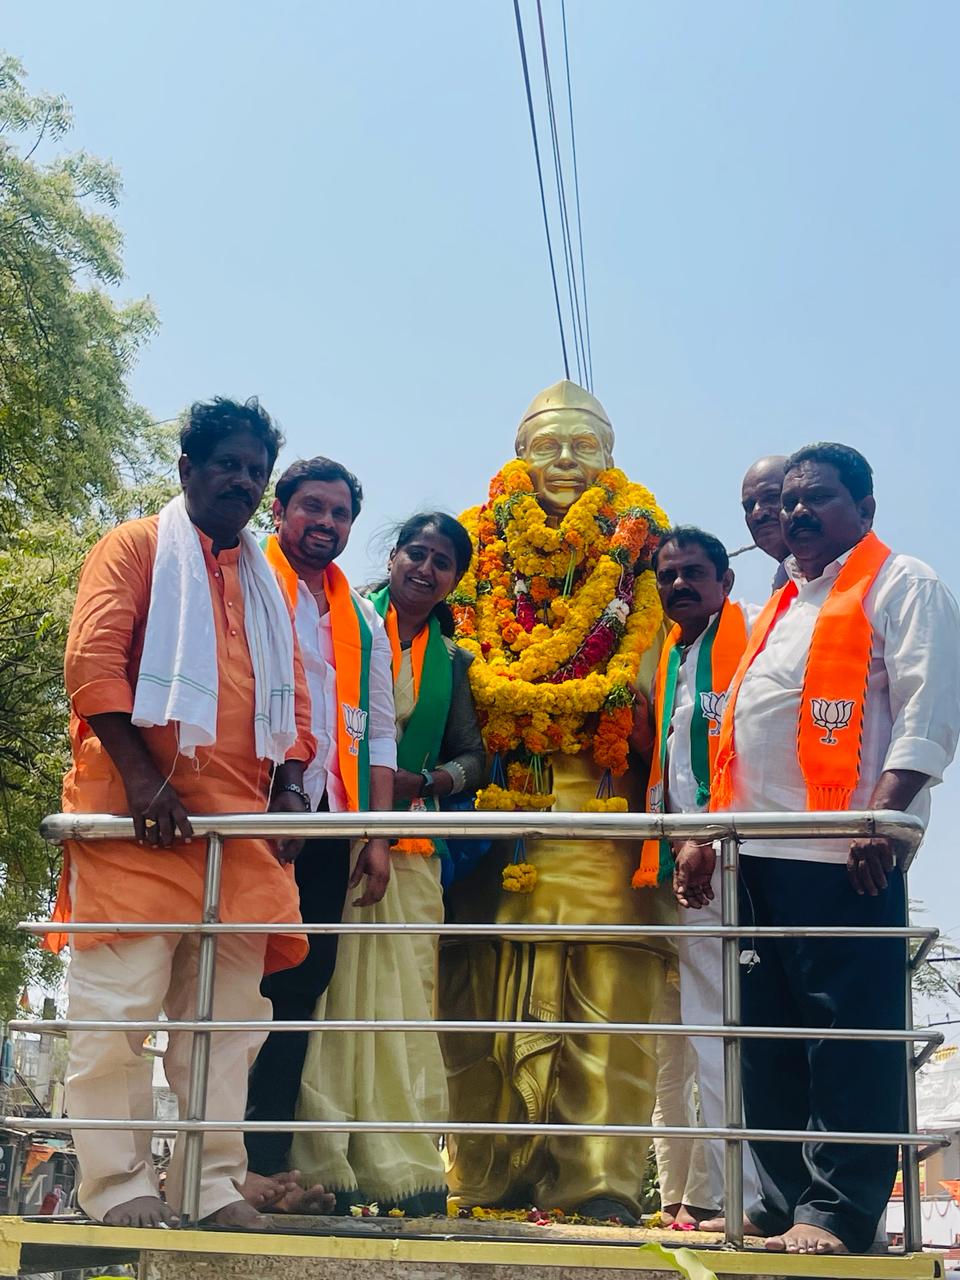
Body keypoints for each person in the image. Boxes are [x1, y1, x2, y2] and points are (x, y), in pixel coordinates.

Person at [680, 442, 960, 1255]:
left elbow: (929, 712)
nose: (796, 512)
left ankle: (839, 1212)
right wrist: (709, 834)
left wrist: (882, 821)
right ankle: (782, 1202)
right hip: (757, 856)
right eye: (789, 501)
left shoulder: (902, 583)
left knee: (847, 1044)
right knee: (766, 1043)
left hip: (845, 859)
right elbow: (743, 734)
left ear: (865, 510)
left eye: (819, 498)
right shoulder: (782, 602)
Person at [53, 397, 317, 1230]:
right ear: (187, 470)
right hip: (137, 826)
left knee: (227, 1025)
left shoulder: (266, 585)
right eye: (227, 464)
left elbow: (296, 711)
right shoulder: (136, 547)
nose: (242, 480)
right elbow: (92, 663)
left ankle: (209, 1187)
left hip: (236, 835)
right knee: (116, 1015)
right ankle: (118, 1187)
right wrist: (143, 781)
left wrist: (287, 794)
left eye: (255, 470)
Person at [441, 380, 674, 1224]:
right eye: (549, 445)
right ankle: (483, 1178)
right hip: (495, 818)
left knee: (608, 1000)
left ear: (611, 457)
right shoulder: (466, 552)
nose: (567, 460)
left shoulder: (650, 558)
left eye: (585, 445)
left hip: (605, 812)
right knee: (477, 1002)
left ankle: (599, 1184)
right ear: (519, 454)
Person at [291, 512, 484, 1213]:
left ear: (454, 580)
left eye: (442, 562)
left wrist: (427, 781)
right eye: (416, 554)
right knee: (329, 991)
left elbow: (474, 756)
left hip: (412, 849)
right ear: (394, 555)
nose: (425, 569)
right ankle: (321, 1160)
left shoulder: (454, 661)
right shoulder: (342, 622)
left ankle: (401, 1167)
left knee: (402, 1002)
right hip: (336, 831)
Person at [244, 457, 397, 1197]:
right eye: (312, 507)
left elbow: (380, 731)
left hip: (331, 824)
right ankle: (216, 1160)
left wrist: (377, 835)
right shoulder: (245, 579)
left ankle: (266, 1162)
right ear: (279, 511)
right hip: (254, 813)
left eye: (340, 514)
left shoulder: (361, 618)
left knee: (302, 986)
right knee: (238, 981)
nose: (326, 523)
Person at [634, 527, 762, 1223]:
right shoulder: (676, 657)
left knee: (736, 1030)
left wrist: (705, 835)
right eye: (668, 575)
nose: (679, 584)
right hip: (690, 866)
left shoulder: (752, 636)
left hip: (742, 859)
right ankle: (728, 1195)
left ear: (726, 582)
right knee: (703, 1033)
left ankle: (750, 1194)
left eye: (693, 573)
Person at [740, 456, 789, 589]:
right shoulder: (782, 585)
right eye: (749, 506)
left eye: (771, 497)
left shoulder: (836, 573)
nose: (757, 513)